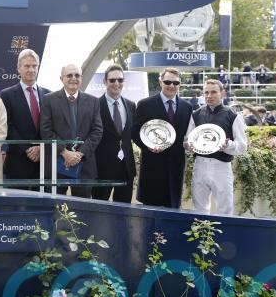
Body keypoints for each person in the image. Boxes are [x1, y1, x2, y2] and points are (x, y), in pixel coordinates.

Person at [132, 67, 193, 208]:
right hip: (152, 167)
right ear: (160, 82)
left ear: (180, 84)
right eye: (167, 82)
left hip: (175, 169)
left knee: (173, 212)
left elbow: (188, 135)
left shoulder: (187, 107)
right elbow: (135, 132)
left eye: (175, 83)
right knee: (150, 213)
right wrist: (148, 146)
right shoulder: (145, 104)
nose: (171, 85)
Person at [40, 63, 102, 198]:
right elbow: (46, 130)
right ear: (61, 78)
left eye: (77, 75)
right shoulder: (48, 100)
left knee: (82, 208)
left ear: (81, 78)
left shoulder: (93, 101)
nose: (73, 78)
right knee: (55, 206)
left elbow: (97, 131)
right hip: (56, 165)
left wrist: (79, 154)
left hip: (84, 166)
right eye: (69, 75)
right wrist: (64, 152)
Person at [187, 79, 247, 215]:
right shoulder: (196, 115)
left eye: (213, 92)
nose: (209, 96)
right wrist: (188, 146)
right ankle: (201, 230)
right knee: (198, 210)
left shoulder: (233, 116)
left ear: (222, 93)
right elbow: (189, 140)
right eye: (206, 92)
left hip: (221, 167)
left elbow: (242, 147)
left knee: (224, 210)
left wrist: (227, 145)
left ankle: (224, 231)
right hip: (200, 165)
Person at [0, 49, 50, 190]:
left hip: (43, 165)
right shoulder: (7, 95)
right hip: (18, 163)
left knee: (42, 203)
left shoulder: (49, 95)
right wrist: (28, 149)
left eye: (34, 66)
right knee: (16, 203)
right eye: (27, 66)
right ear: (18, 68)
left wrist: (41, 148)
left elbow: (51, 127)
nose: (31, 70)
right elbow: (7, 126)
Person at [93, 65, 136, 203]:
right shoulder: (95, 105)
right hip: (102, 169)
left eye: (120, 80)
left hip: (126, 168)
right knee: (99, 210)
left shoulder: (131, 105)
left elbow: (134, 134)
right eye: (112, 80)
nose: (116, 83)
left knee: (124, 210)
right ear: (105, 82)